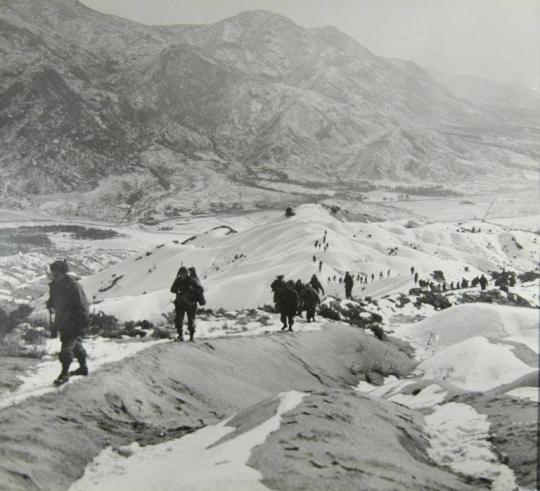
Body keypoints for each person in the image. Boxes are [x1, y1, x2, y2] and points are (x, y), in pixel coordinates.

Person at [46, 260, 90, 386]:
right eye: (53, 273)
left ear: (64, 273)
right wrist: (50, 303)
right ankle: (83, 368)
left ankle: (64, 373)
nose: (55, 276)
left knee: (66, 347)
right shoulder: (54, 284)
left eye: (57, 274)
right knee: (75, 345)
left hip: (75, 321)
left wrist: (82, 324)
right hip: (62, 320)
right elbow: (53, 298)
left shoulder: (73, 286)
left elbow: (83, 306)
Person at [170, 266, 202, 341]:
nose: (182, 275)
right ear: (179, 274)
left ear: (187, 273)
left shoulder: (191, 280)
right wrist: (178, 290)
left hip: (191, 304)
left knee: (191, 321)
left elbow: (199, 289)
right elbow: (172, 289)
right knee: (178, 320)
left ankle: (191, 337)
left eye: (184, 273)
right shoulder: (177, 280)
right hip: (180, 304)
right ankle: (180, 336)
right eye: (181, 274)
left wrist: (191, 292)